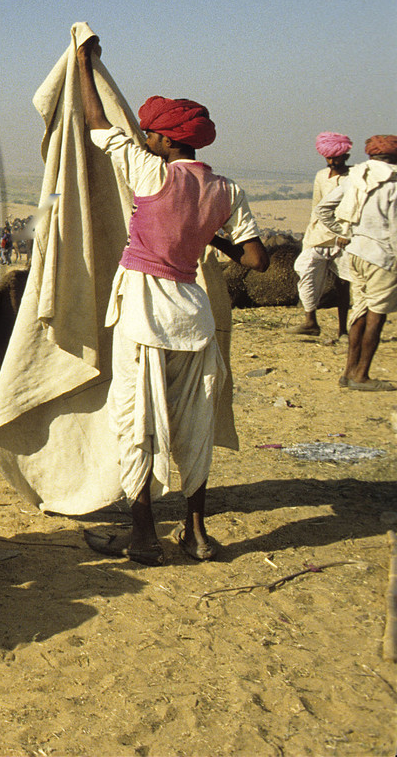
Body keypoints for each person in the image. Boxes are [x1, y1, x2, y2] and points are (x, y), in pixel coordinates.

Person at [75, 35, 267, 564]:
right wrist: (210, 235)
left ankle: (142, 537)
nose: (146, 137)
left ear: (165, 140)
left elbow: (98, 128)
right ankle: (197, 533)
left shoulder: (150, 172)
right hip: (193, 312)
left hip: (143, 310)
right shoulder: (227, 190)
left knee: (135, 420)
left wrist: (84, 66)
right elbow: (256, 260)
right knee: (195, 421)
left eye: (151, 132)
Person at [314, 134, 397, 392]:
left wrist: (344, 232)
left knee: (359, 310)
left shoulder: (357, 177)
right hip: (384, 255)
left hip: (357, 252)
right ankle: (361, 375)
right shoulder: (393, 180)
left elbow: (323, 209)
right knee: (376, 315)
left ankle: (348, 371)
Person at [292, 133, 353, 337]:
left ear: (345, 156)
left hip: (344, 238)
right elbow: (316, 206)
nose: (332, 162)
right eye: (329, 158)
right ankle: (310, 321)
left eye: (336, 157)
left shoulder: (353, 178)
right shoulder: (320, 176)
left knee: (343, 283)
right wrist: (310, 235)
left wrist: (347, 232)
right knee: (306, 270)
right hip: (318, 236)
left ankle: (343, 330)